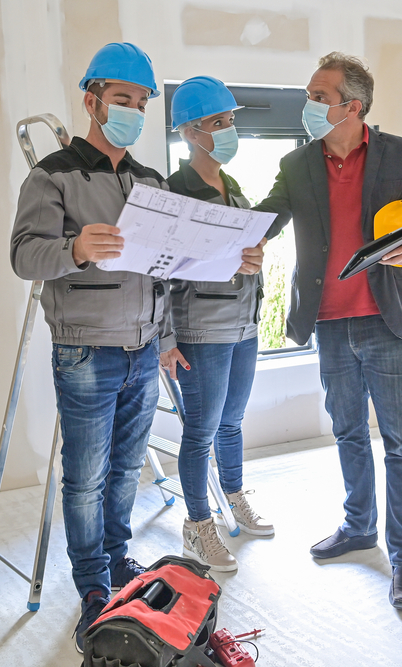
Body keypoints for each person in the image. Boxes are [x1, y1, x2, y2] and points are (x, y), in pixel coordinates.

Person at [255, 52, 402, 610]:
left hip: (389, 322)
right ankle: (359, 527)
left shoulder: (401, 155)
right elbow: (265, 219)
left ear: (352, 106)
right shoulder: (297, 163)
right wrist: (229, 235)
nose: (308, 105)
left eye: (318, 96)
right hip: (329, 324)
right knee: (349, 432)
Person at [9, 42, 170, 652]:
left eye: (140, 102)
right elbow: (25, 256)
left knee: (128, 469)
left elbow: (166, 269)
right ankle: (92, 587)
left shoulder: (150, 182)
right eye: (121, 99)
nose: (131, 110)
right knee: (85, 478)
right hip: (86, 352)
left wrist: (168, 336)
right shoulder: (51, 175)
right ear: (92, 101)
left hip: (143, 347)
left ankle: (119, 559)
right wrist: (76, 249)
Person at [160, 76, 273, 574]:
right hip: (201, 330)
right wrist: (164, 339)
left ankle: (234, 497)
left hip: (244, 325)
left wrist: (251, 257)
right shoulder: (174, 191)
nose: (230, 131)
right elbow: (158, 269)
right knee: (200, 430)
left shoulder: (234, 187)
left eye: (232, 121)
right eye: (218, 123)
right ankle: (198, 525)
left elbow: (237, 253)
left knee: (232, 422)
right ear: (188, 131)